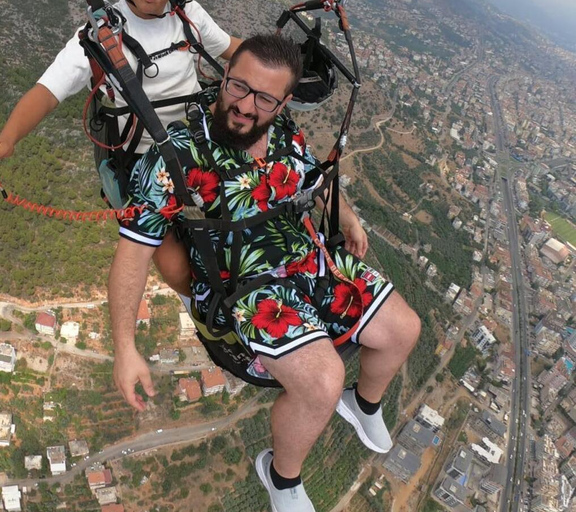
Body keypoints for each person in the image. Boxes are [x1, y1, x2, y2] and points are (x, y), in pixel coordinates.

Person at [108, 34, 421, 511]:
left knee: (403, 329)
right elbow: (132, 255)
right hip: (249, 289)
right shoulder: (177, 158)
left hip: (310, 261)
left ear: (284, 101)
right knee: (321, 382)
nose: (245, 107)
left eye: (265, 98)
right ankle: (283, 477)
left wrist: (347, 216)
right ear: (225, 76)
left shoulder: (284, 134)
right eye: (237, 87)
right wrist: (125, 348)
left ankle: (365, 404)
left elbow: (311, 181)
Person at [0, 0, 241, 299]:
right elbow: (47, 91)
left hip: (200, 145)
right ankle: (206, 314)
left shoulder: (186, 14)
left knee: (237, 234)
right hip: (143, 162)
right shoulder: (98, 36)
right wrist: (7, 139)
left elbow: (233, 49)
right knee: (175, 268)